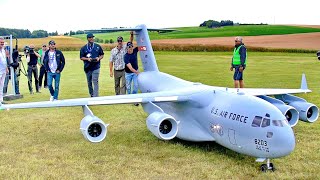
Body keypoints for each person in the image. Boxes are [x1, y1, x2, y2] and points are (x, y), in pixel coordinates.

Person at [80, 33, 104, 97]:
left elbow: (102, 55)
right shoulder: (84, 48)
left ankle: (96, 96)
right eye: (90, 37)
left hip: (96, 67)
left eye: (92, 37)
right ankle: (92, 94)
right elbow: (81, 57)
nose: (91, 39)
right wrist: (87, 59)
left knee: (95, 81)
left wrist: (98, 58)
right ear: (87, 39)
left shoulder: (98, 46)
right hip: (87, 67)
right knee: (89, 82)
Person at [124, 41, 140, 106]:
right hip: (128, 73)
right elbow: (130, 68)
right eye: (129, 47)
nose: (130, 49)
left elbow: (142, 46)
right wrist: (137, 72)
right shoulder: (126, 57)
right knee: (128, 87)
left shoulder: (135, 50)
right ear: (127, 48)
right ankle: (130, 97)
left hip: (135, 72)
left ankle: (134, 99)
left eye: (131, 47)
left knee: (136, 85)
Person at [0, 37, 9, 105]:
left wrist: (6, 68)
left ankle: (1, 100)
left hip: (3, 70)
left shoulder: (3, 50)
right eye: (1, 43)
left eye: (3, 43)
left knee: (1, 85)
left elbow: (4, 60)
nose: (2, 44)